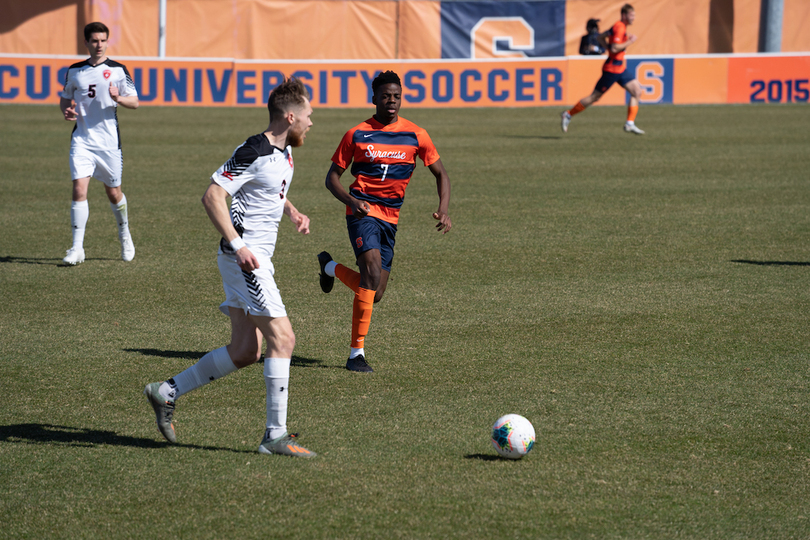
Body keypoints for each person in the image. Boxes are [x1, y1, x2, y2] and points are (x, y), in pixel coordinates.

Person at [144, 77, 316, 458]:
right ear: (290, 116)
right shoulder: (253, 149)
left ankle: (166, 391)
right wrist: (239, 246)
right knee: (283, 340)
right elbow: (213, 196)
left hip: (248, 257)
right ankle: (275, 436)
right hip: (247, 259)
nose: (311, 122)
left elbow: (268, 188)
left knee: (244, 351)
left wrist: (291, 210)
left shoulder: (284, 151)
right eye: (308, 115)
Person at [317, 70, 452, 373]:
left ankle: (329, 266)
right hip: (362, 213)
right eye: (386, 96)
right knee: (372, 271)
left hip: (391, 219)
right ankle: (355, 354)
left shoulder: (417, 135)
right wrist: (352, 201)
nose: (392, 101)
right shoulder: (356, 134)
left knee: (374, 292)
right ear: (374, 98)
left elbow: (441, 173)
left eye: (397, 96)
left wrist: (443, 208)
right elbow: (332, 178)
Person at [60, 22, 139, 265]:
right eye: (94, 41)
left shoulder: (117, 69)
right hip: (82, 140)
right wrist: (67, 111)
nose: (99, 45)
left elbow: (135, 102)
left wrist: (119, 98)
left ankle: (124, 235)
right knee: (79, 189)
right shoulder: (74, 71)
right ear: (86, 42)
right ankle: (76, 248)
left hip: (108, 143)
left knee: (114, 194)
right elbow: (65, 100)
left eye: (103, 40)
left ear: (107, 41)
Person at [561, 4, 645, 135]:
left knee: (637, 91)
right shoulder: (620, 27)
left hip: (619, 68)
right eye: (631, 15)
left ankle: (630, 123)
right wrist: (630, 41)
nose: (634, 17)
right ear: (624, 15)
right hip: (611, 69)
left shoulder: (618, 26)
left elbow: (600, 37)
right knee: (594, 97)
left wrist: (609, 48)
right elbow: (615, 48)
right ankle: (568, 114)